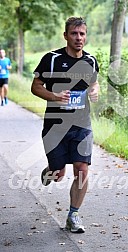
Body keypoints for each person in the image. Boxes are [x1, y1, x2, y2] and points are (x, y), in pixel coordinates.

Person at [31, 16, 99, 233]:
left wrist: (95, 90)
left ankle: (73, 215)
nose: (79, 38)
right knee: (58, 174)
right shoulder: (51, 59)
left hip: (82, 124)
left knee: (82, 169)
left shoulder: (91, 61)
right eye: (74, 33)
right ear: (66, 35)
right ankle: (51, 170)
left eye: (82, 34)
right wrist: (54, 96)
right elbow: (36, 86)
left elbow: (94, 82)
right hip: (55, 126)